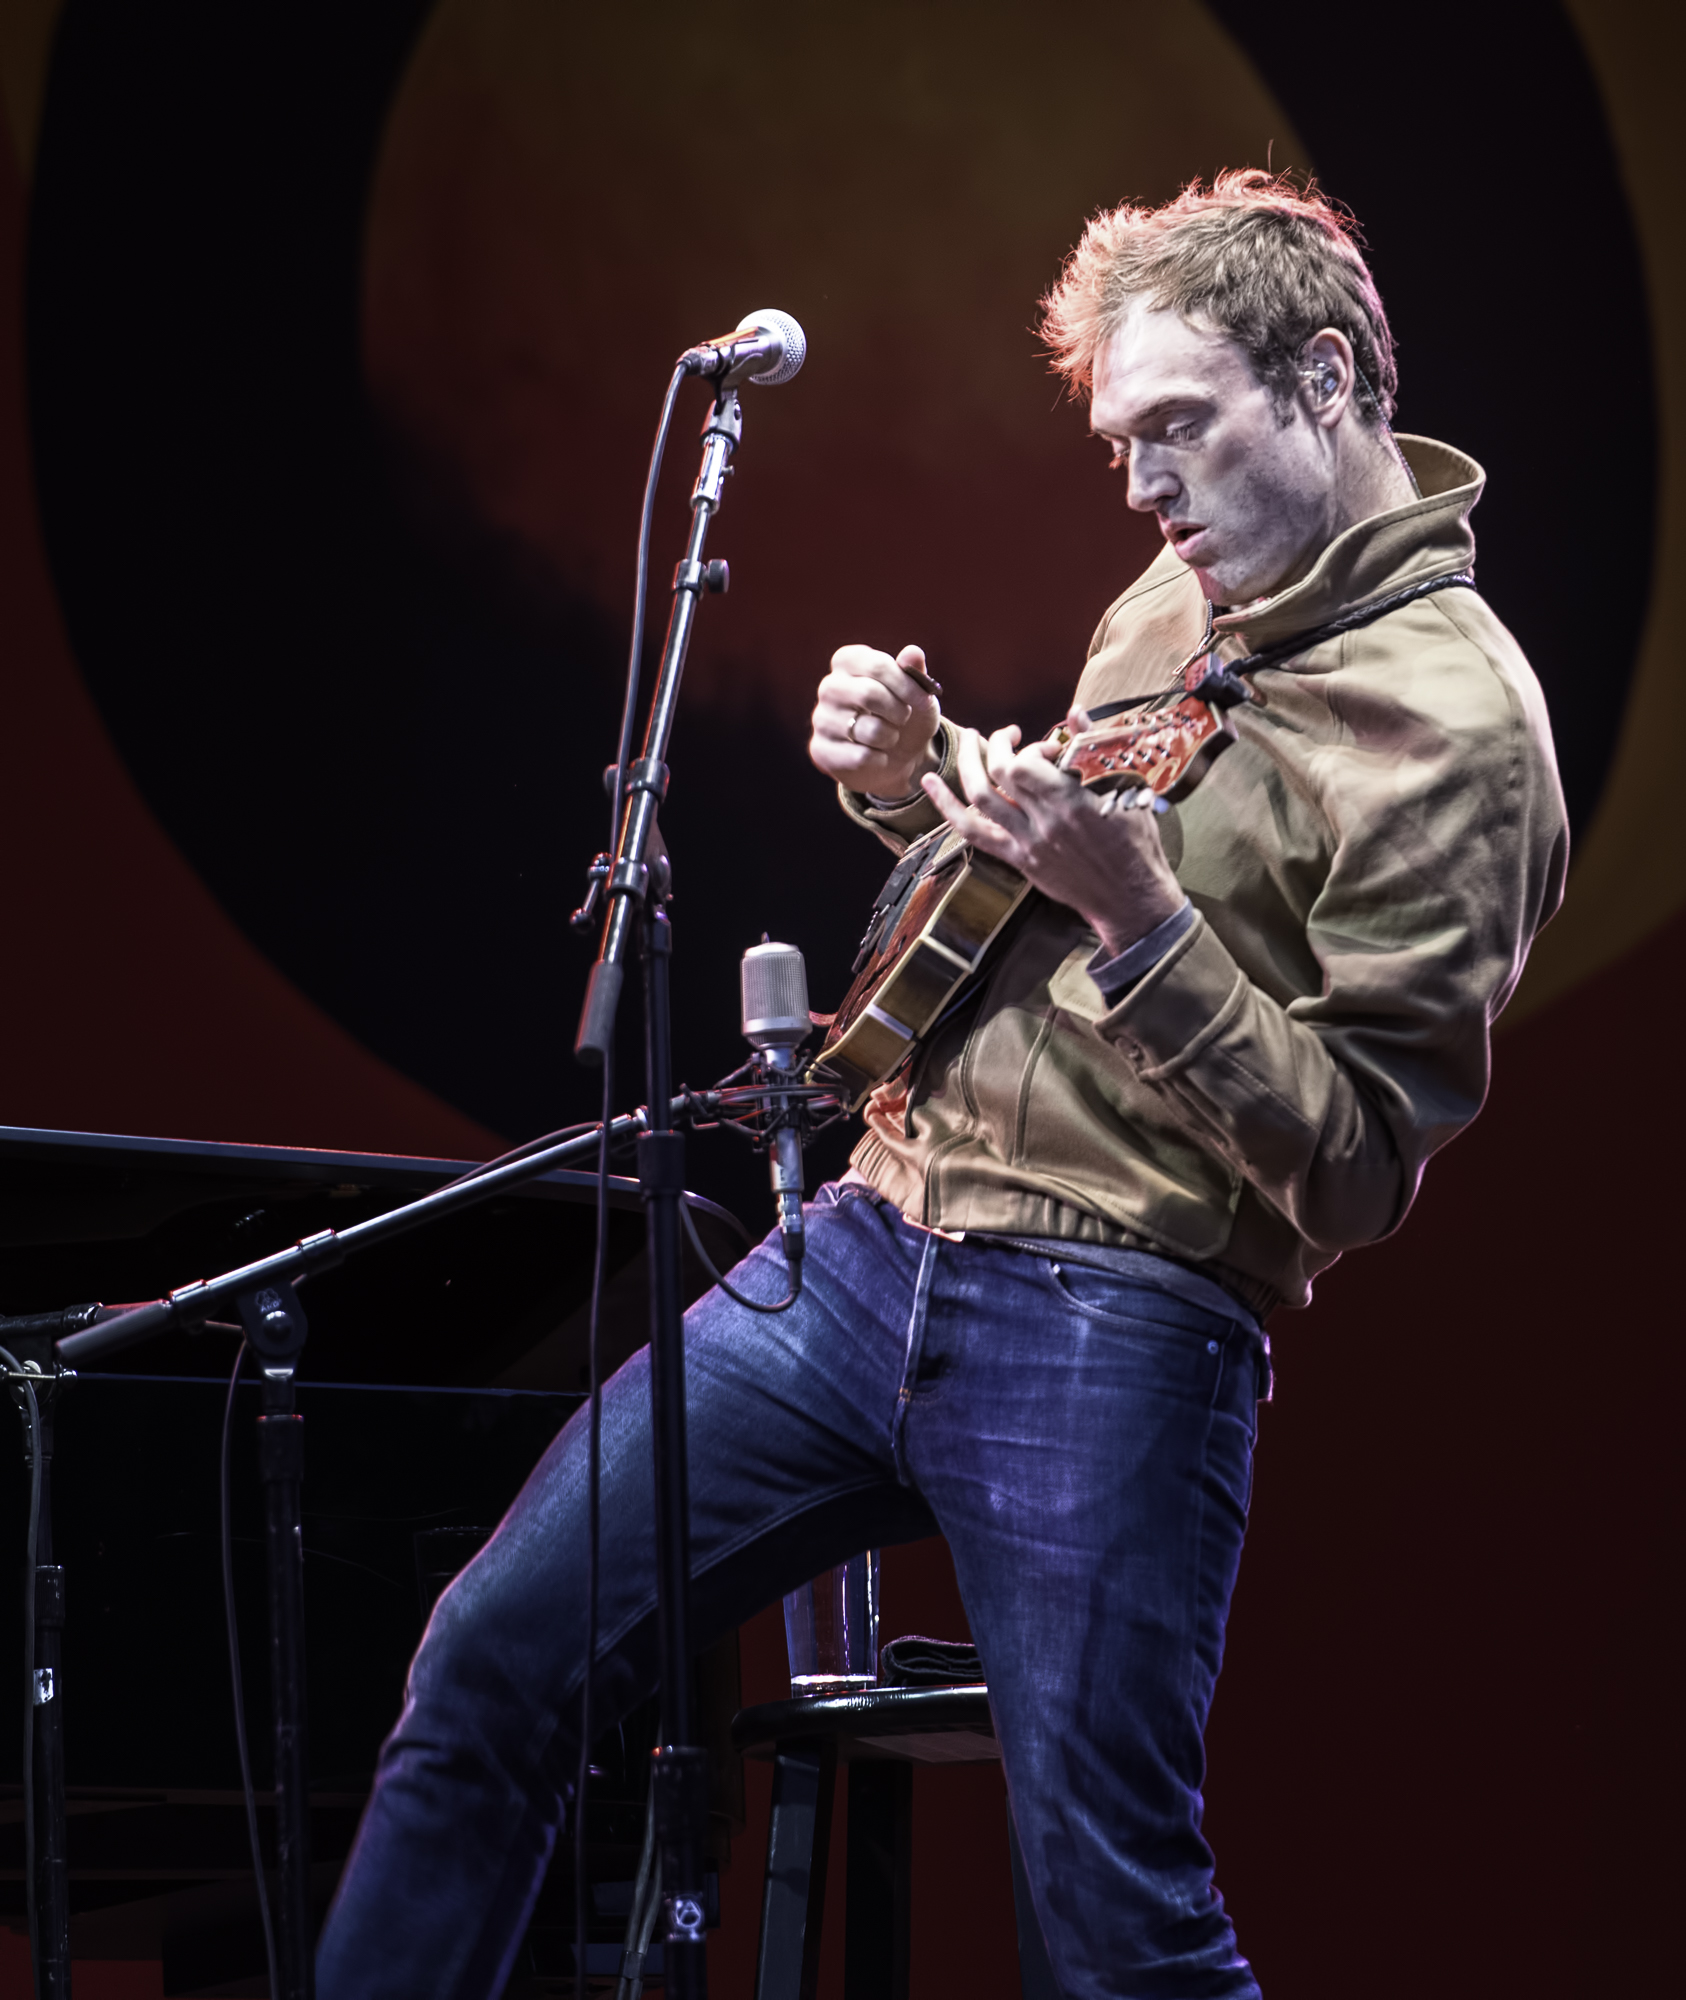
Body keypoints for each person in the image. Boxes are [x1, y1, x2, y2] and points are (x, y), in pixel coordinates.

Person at [318, 168, 1567, 2000]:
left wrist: (1141, 917)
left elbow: (1359, 1169)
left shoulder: (1459, 729)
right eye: (1119, 442)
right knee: (491, 1660)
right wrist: (919, 777)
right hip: (870, 1242)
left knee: (1110, 1916)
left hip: (1111, 1310)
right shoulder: (1177, 597)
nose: (1142, 490)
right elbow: (1048, 874)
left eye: (1177, 431)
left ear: (1323, 381)